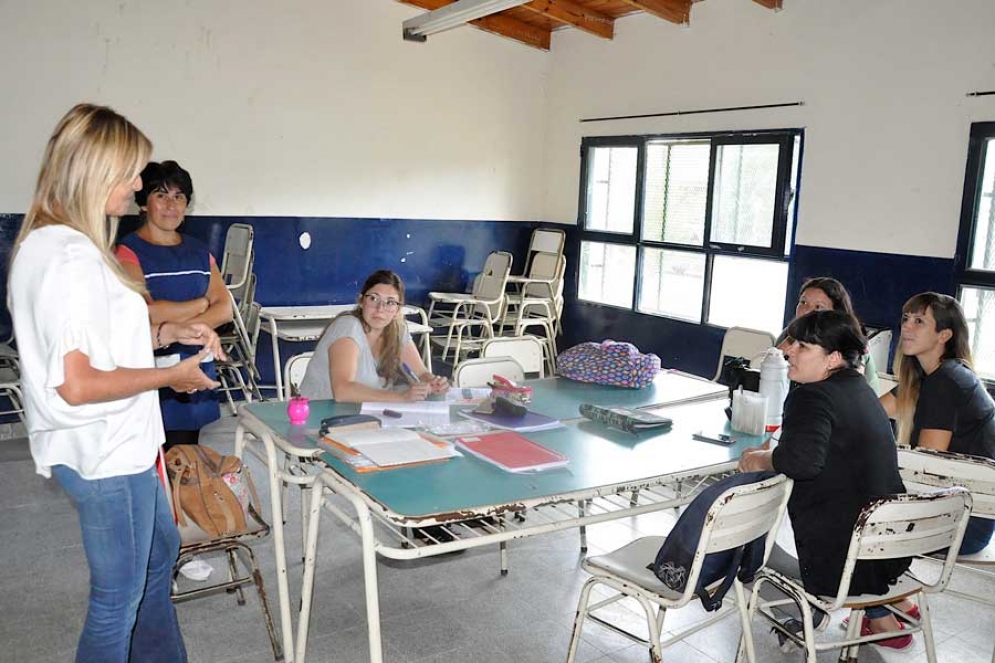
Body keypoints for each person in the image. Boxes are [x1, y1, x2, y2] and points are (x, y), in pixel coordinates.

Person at [8, 103, 223, 662]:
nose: (137, 187)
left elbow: (103, 342)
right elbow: (75, 383)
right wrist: (172, 373)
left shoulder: (66, 244)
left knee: (160, 553)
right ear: (92, 168)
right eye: (131, 173)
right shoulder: (68, 256)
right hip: (103, 452)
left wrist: (176, 329)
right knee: (117, 597)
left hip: (124, 444)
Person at [739, 310, 915, 650]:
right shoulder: (859, 389)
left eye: (803, 346)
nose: (789, 351)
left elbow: (802, 462)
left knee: (736, 544)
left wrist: (760, 457)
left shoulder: (811, 394)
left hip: (844, 566)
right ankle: (815, 605)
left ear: (833, 358)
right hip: (887, 553)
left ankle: (805, 606)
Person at [115, 160, 232, 451]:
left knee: (188, 455)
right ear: (143, 203)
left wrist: (187, 320)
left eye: (178, 197)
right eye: (161, 195)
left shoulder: (198, 250)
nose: (171, 205)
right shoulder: (128, 250)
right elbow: (146, 312)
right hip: (152, 365)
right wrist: (201, 303)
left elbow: (225, 309)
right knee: (155, 452)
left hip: (196, 362)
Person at [880, 292, 995, 554]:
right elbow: (870, 412)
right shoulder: (934, 376)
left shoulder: (945, 384)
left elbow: (925, 471)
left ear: (944, 335)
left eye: (919, 321)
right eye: (906, 318)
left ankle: (894, 594)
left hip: (961, 524)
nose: (906, 326)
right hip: (959, 512)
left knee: (842, 504)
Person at [299, 269, 448, 402]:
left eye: (390, 302)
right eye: (373, 298)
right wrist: (401, 397)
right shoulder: (348, 326)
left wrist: (432, 382)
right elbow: (342, 391)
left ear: (397, 310)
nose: (380, 308)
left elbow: (420, 373)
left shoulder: (397, 329)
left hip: (361, 414)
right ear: (361, 301)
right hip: (319, 415)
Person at [776, 277, 880, 393]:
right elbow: (770, 365)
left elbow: (848, 392)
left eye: (818, 307)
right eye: (803, 302)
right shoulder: (789, 334)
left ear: (836, 315)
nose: (806, 311)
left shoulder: (851, 343)